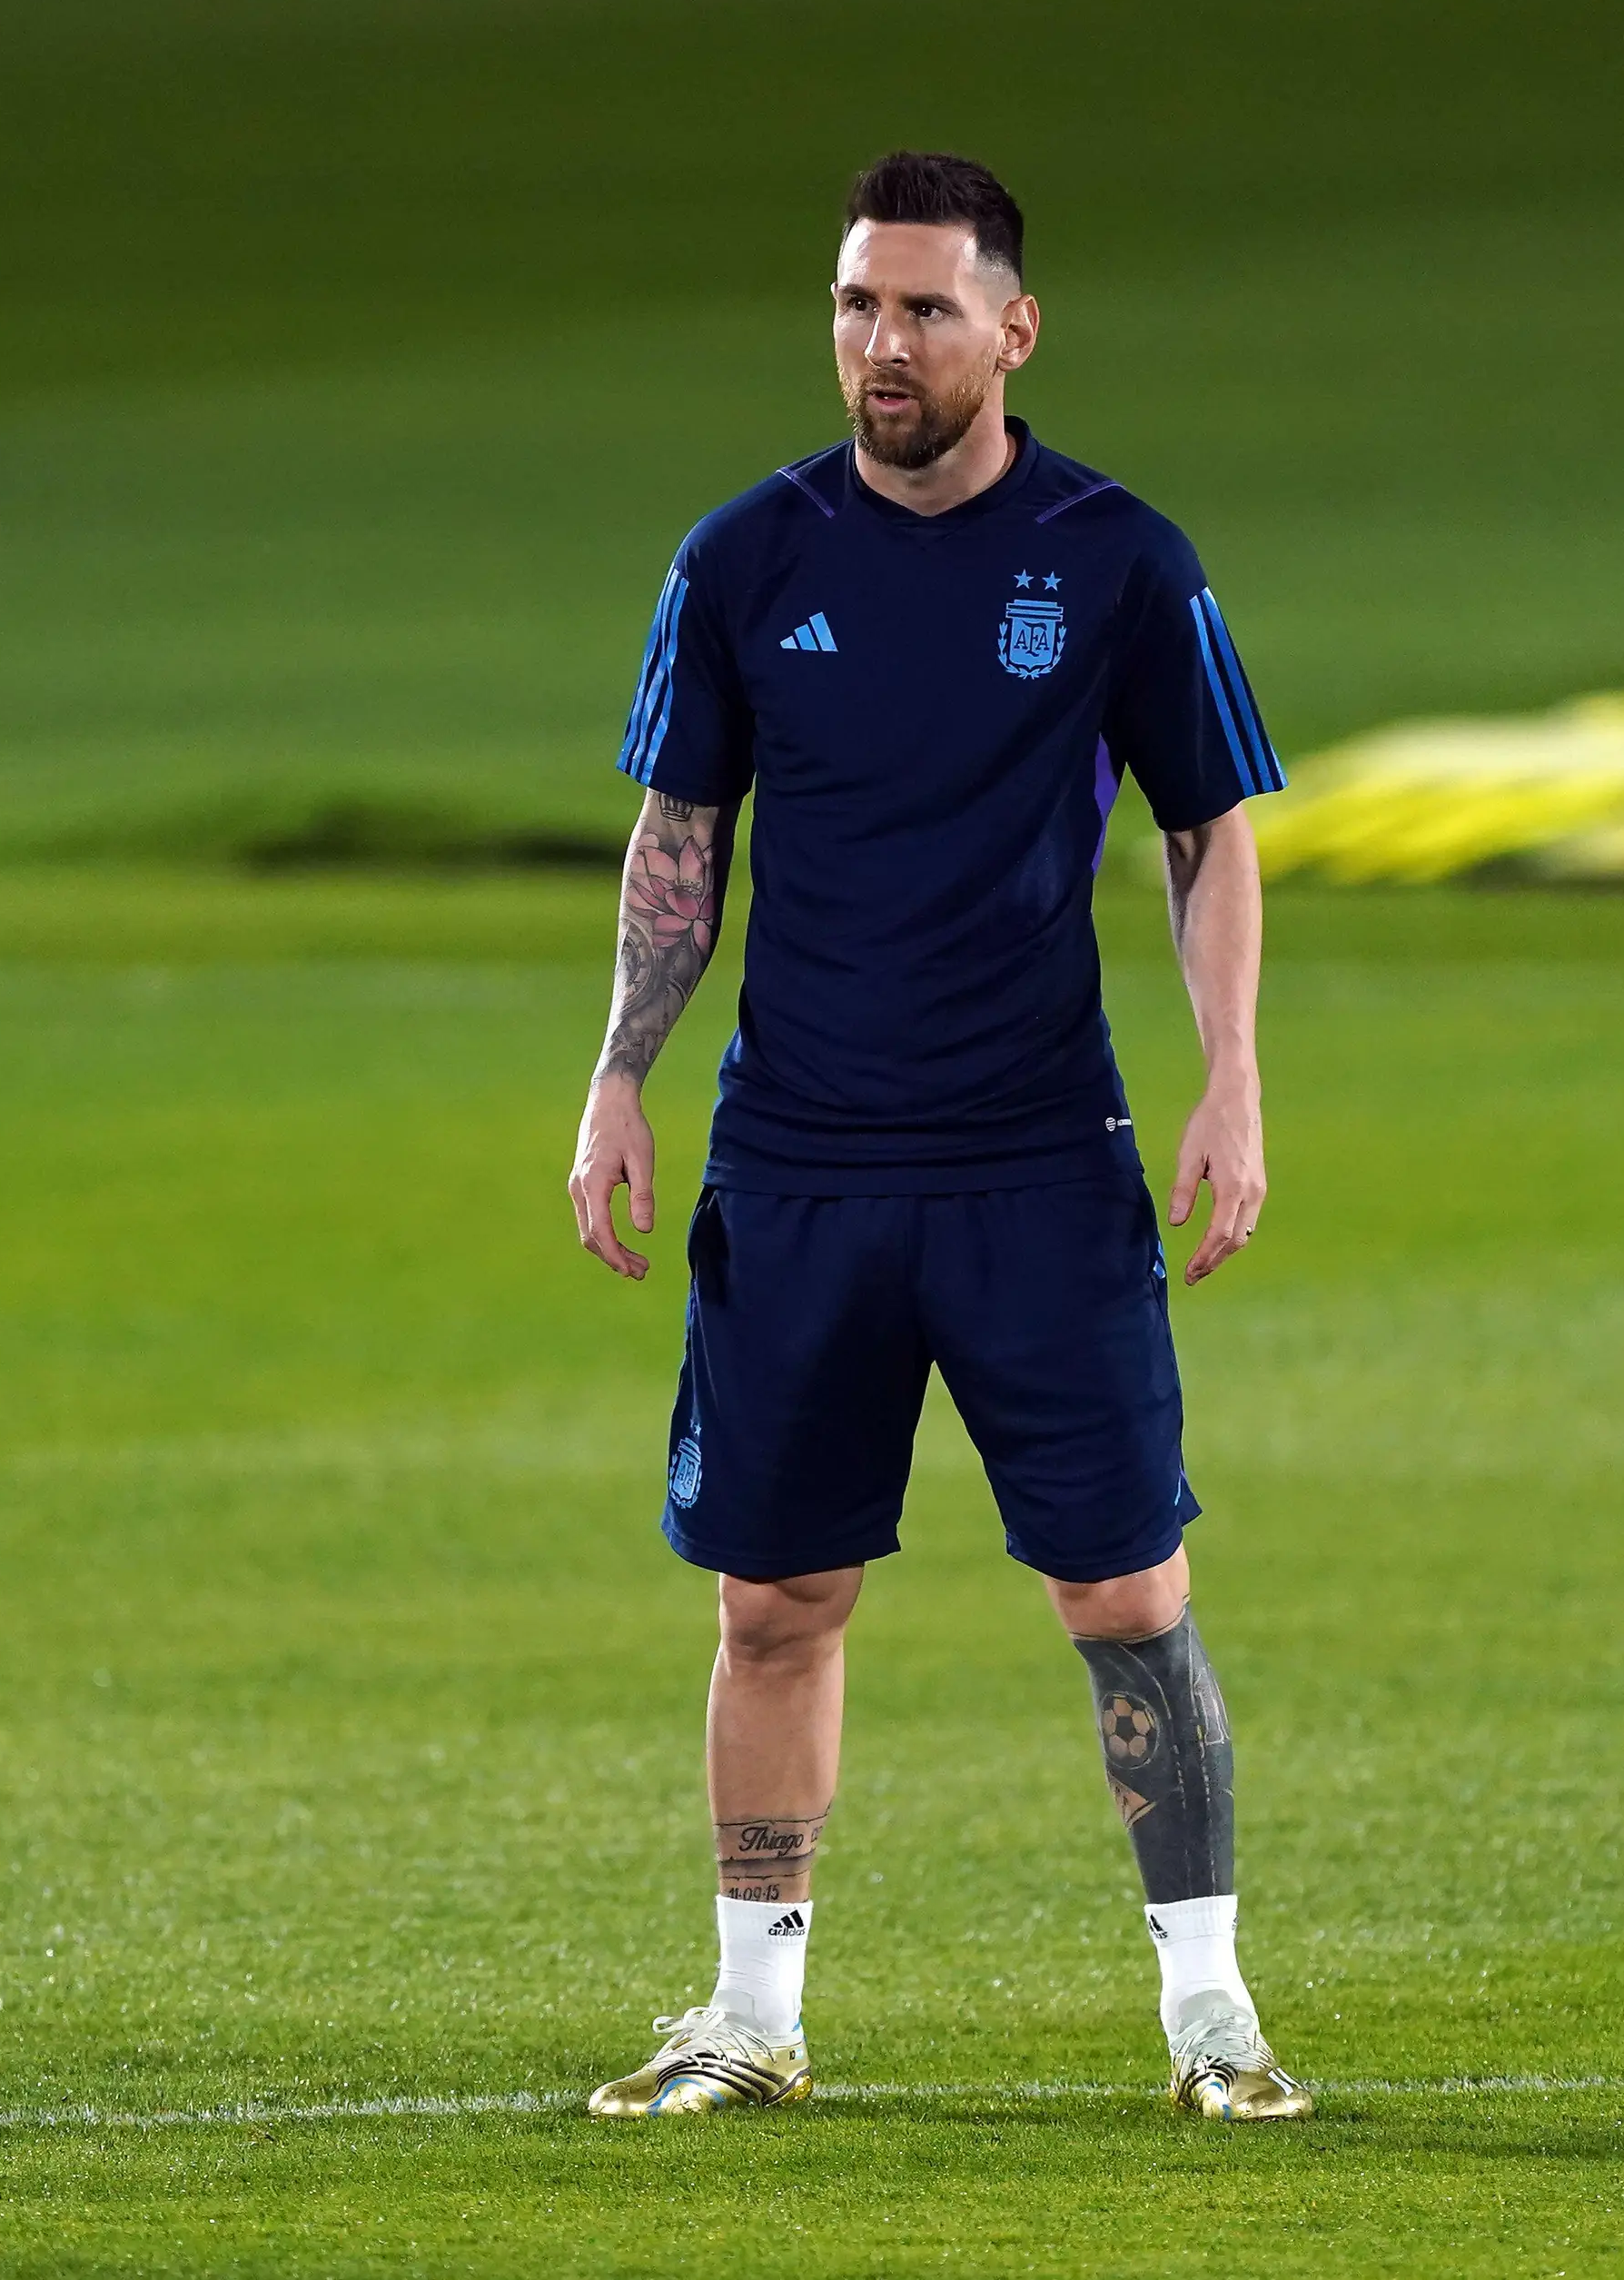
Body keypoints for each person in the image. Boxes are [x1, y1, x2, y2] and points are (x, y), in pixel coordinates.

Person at [564, 151, 1301, 2122]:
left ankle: (1213, 2018)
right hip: (796, 1164)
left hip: (1036, 1162)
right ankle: (750, 2012)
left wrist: (1230, 1074)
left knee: (1126, 1598)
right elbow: (680, 841)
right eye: (853, 308)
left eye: (921, 312)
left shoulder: (1120, 560)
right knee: (772, 1600)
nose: (880, 348)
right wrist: (620, 1069)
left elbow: (1210, 826)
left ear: (1014, 328)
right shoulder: (746, 563)